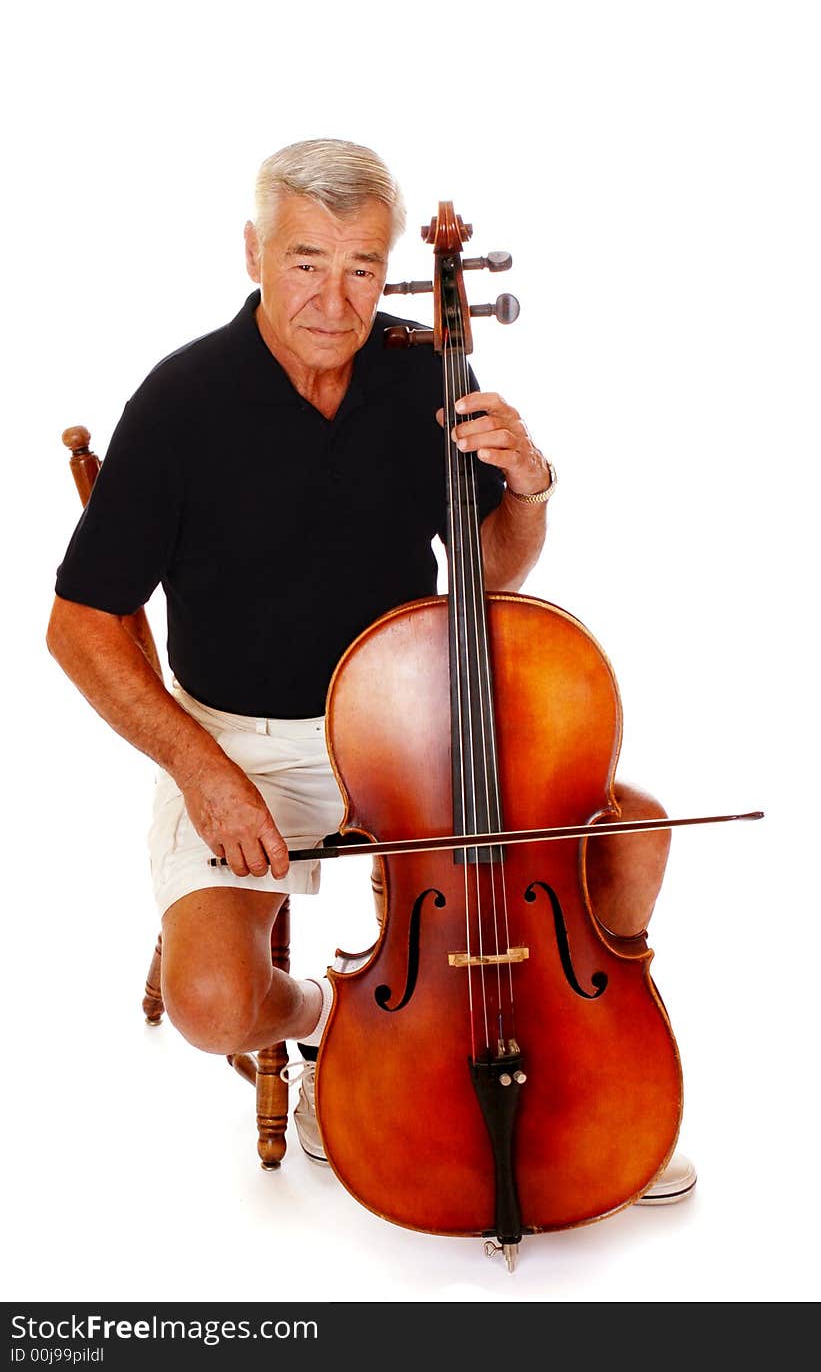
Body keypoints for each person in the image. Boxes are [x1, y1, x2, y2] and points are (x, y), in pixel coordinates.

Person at [47, 137, 694, 1207]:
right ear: (253, 250)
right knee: (214, 1001)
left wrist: (529, 484)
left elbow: (485, 575)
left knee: (633, 831)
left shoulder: (423, 370)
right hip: (244, 740)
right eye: (305, 260)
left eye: (360, 265)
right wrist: (204, 773)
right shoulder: (180, 401)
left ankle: (596, 1074)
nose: (335, 298)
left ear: (390, 265)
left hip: (414, 729)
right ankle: (331, 1028)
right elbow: (81, 625)